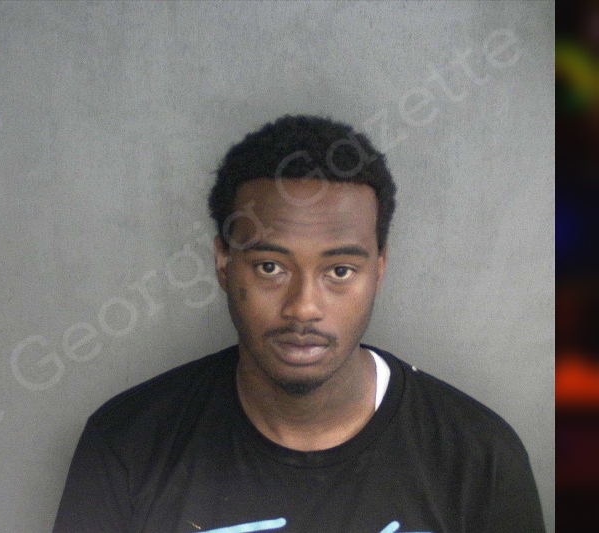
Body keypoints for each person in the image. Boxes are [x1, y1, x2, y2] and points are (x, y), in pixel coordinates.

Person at [52, 115, 545, 533]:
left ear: (379, 269)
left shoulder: (479, 458)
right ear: (223, 262)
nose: (304, 307)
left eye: (339, 271)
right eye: (270, 267)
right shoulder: (127, 444)